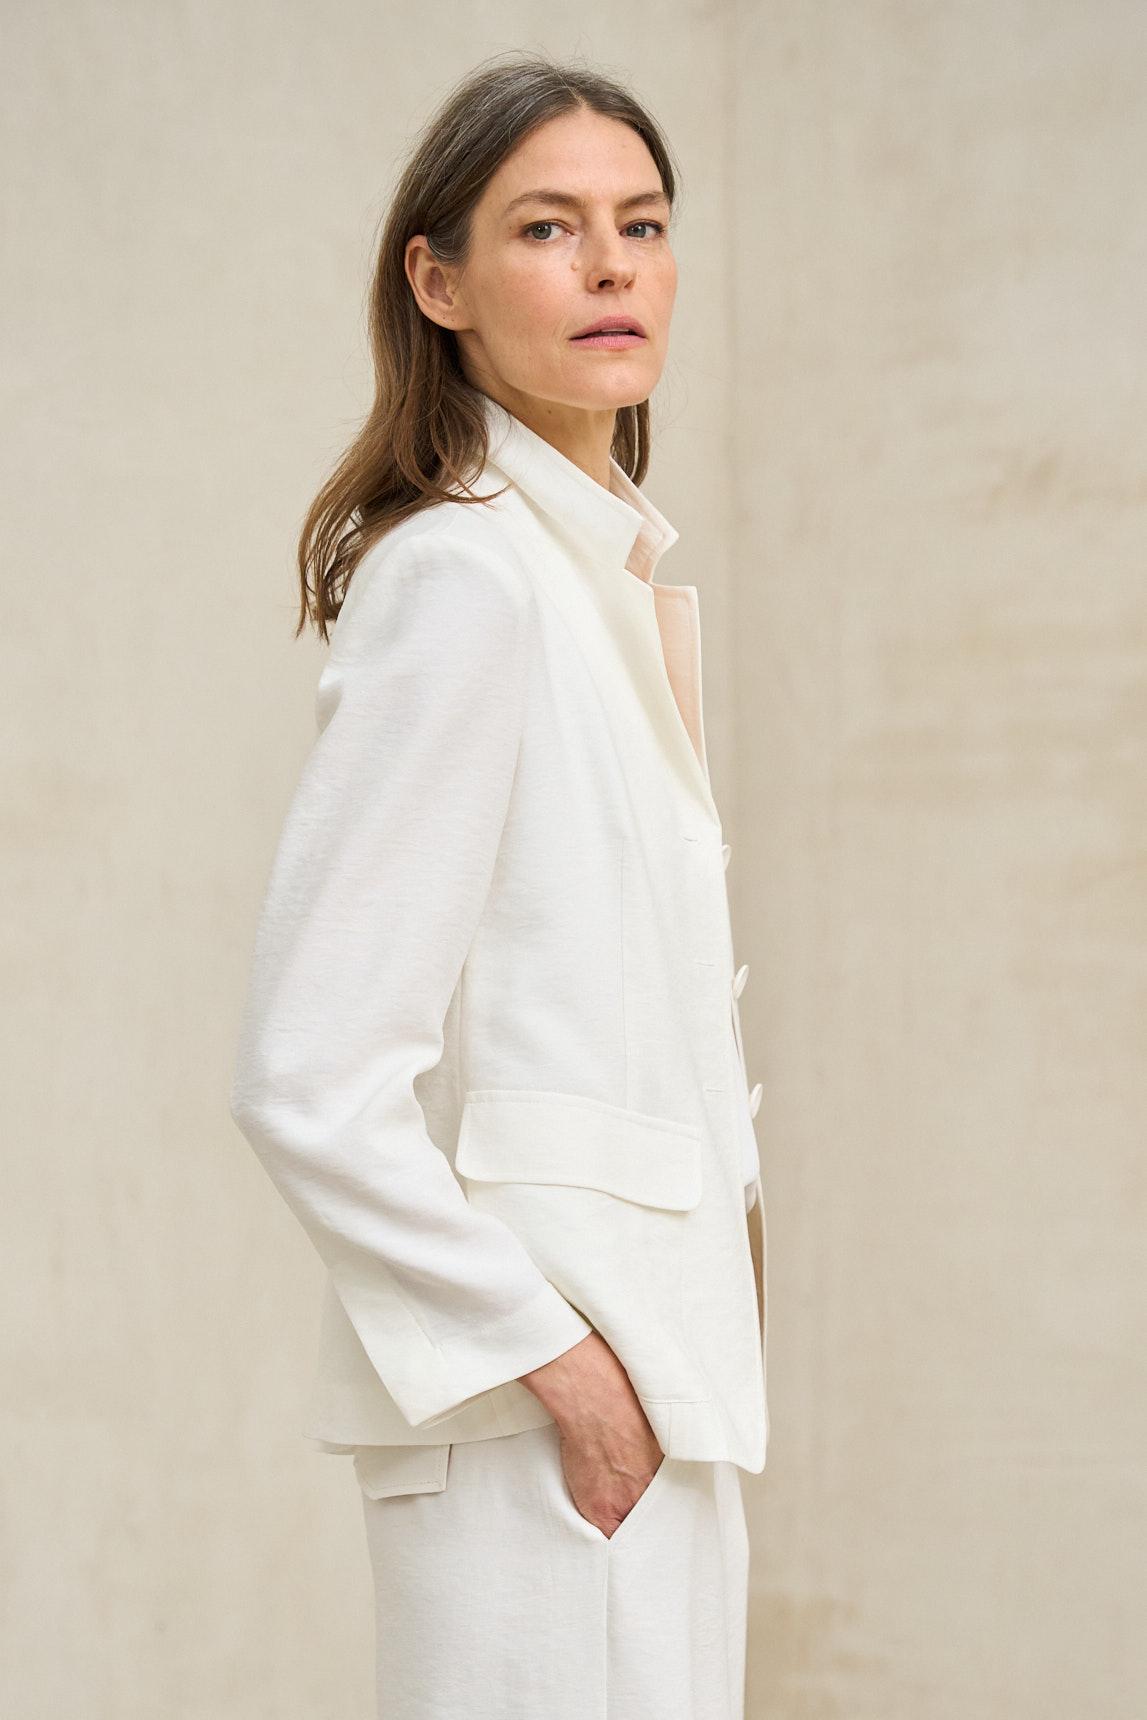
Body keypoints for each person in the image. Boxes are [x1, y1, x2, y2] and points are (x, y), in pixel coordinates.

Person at [229, 50, 769, 1720]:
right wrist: (566, 1375)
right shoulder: (467, 576)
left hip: (656, 1400)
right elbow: (309, 1077)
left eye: (642, 224)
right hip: (550, 1424)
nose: (611, 266)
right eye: (547, 227)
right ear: (439, 282)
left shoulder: (593, 579)